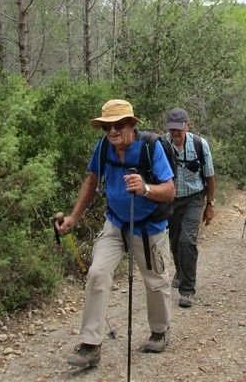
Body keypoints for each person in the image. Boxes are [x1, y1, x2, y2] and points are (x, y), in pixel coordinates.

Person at [56, 99, 175, 368]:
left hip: (148, 228)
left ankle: (159, 331)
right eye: (107, 127)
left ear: (132, 124)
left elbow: (169, 190)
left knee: (155, 282)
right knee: (97, 273)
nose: (112, 132)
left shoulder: (150, 147)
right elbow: (91, 181)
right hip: (116, 223)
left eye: (118, 125)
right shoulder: (103, 149)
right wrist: (74, 217)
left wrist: (145, 188)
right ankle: (91, 345)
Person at [164, 108, 216, 309]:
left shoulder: (199, 145)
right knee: (175, 241)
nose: (175, 133)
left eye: (179, 129)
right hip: (170, 200)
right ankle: (179, 270)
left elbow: (210, 176)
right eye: (172, 130)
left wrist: (210, 204)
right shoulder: (162, 144)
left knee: (187, 240)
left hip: (194, 198)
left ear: (188, 125)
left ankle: (187, 290)